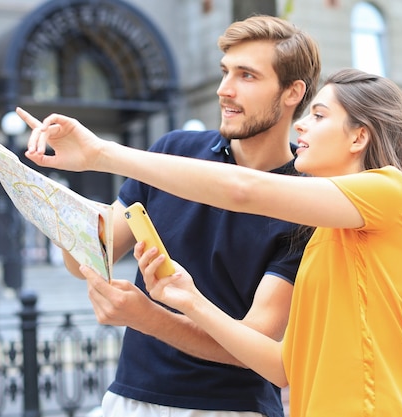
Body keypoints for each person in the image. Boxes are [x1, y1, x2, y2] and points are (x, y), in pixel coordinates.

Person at [20, 68, 402, 416]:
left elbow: (244, 190)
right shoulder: (325, 237)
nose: (301, 123)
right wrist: (189, 300)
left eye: (318, 115)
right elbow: (282, 367)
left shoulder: (390, 191)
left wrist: (102, 155)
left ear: (358, 137)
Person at [18, 14, 321, 417]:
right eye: (225, 72)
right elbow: (97, 252)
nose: (224, 90)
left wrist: (148, 318)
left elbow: (257, 347)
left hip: (228, 409)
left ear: (292, 93)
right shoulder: (173, 148)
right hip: (126, 398)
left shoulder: (309, 200)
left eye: (246, 76)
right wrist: (47, 198)